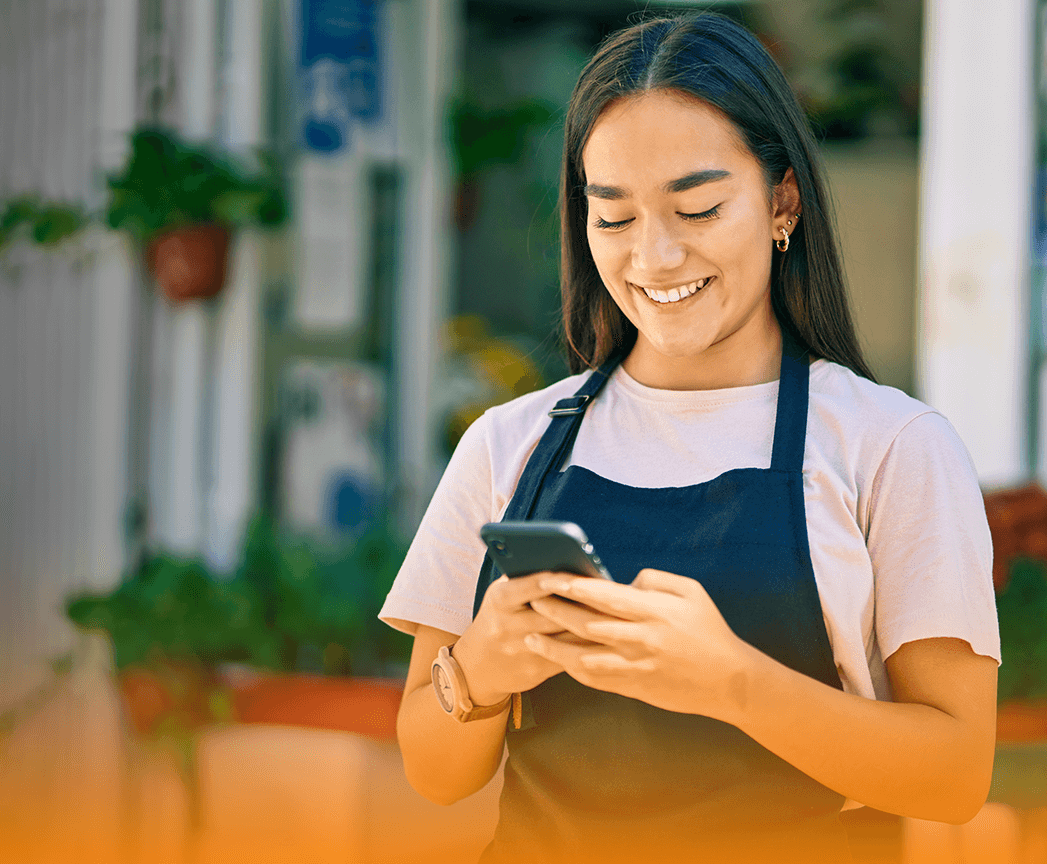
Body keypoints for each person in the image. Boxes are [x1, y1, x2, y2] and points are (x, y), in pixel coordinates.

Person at [380, 11, 1000, 864]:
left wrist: (735, 685)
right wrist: (482, 668)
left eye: (698, 208)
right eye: (614, 217)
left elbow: (957, 774)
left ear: (782, 201)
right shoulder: (507, 444)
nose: (655, 257)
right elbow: (435, 772)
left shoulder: (891, 446)